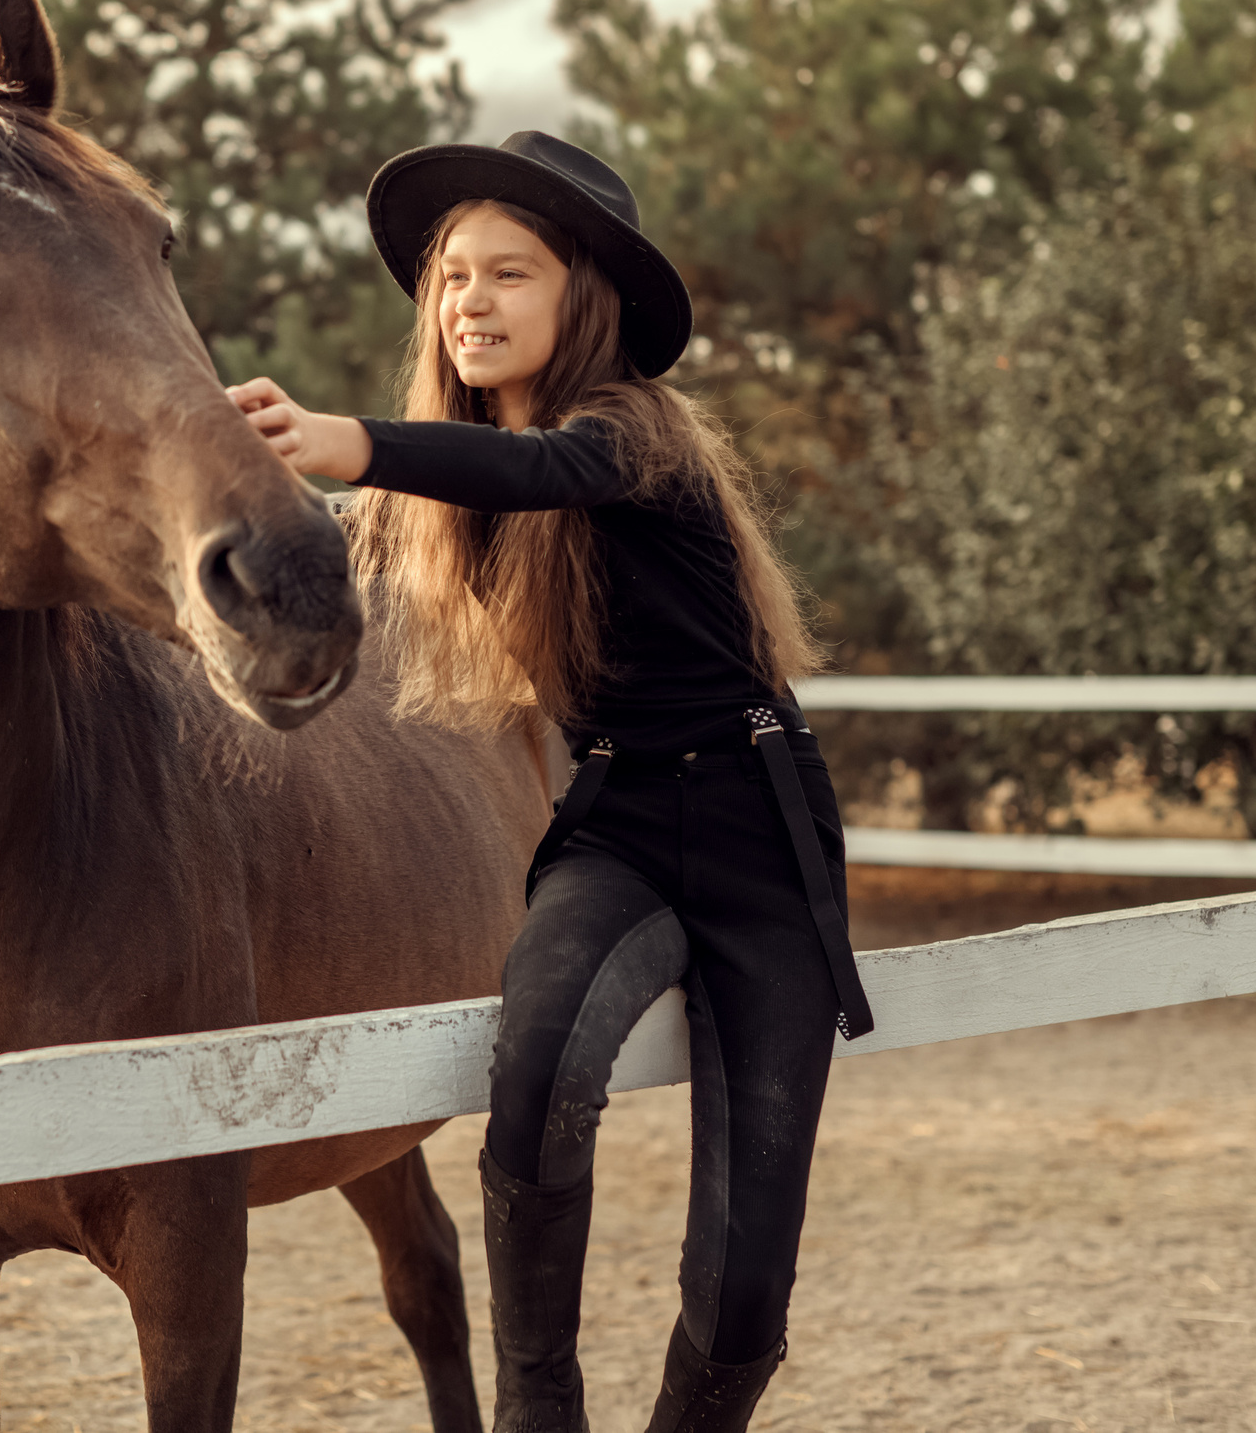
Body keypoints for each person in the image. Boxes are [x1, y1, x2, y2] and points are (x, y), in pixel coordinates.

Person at [227, 132, 874, 1433]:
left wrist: (349, 439)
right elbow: (324, 574)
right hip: (618, 822)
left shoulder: (642, 436)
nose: (470, 299)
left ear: (589, 298)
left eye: (509, 273)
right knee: (533, 1082)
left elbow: (551, 471)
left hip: (758, 826)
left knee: (746, 1280)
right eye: (452, 277)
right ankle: (540, 1418)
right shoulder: (435, 501)